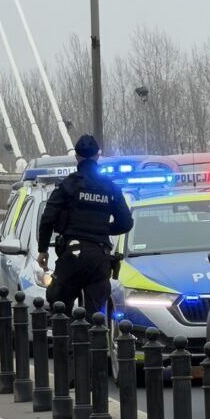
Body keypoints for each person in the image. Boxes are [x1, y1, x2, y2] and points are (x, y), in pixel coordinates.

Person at [37, 134, 134, 316]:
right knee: (96, 315)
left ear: (77, 157)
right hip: (99, 256)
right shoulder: (110, 187)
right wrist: (103, 229)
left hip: (71, 256)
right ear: (98, 156)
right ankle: (94, 333)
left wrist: (43, 250)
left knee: (59, 308)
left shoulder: (68, 185)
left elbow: (48, 218)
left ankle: (64, 333)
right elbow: (126, 223)